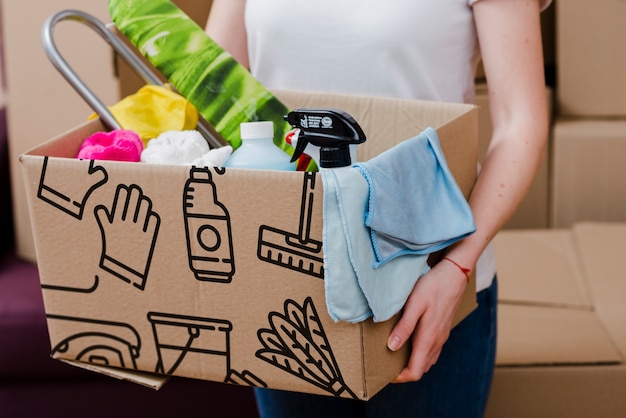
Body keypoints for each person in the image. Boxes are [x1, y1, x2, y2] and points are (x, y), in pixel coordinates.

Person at [206, 1, 551, 416]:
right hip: (290, 284)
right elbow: (212, 92)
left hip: (429, 278)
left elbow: (521, 121)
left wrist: (457, 266)